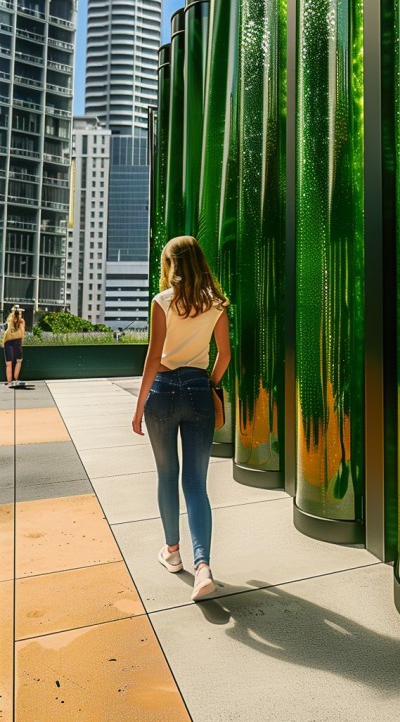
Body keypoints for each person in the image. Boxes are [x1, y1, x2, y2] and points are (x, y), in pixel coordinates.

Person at [132, 235, 231, 602]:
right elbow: (224, 355)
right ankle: (203, 567)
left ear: (170, 264)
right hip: (198, 389)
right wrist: (210, 385)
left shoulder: (162, 301)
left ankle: (172, 552)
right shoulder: (217, 304)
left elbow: (153, 357)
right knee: (196, 483)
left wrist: (139, 407)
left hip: (161, 391)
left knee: (166, 475)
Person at [3, 305, 25, 387]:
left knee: (8, 363)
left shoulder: (9, 319)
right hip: (17, 341)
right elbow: (22, 333)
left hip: (7, 341)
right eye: (20, 313)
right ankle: (15, 380)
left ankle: (9, 382)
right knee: (19, 361)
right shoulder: (21, 321)